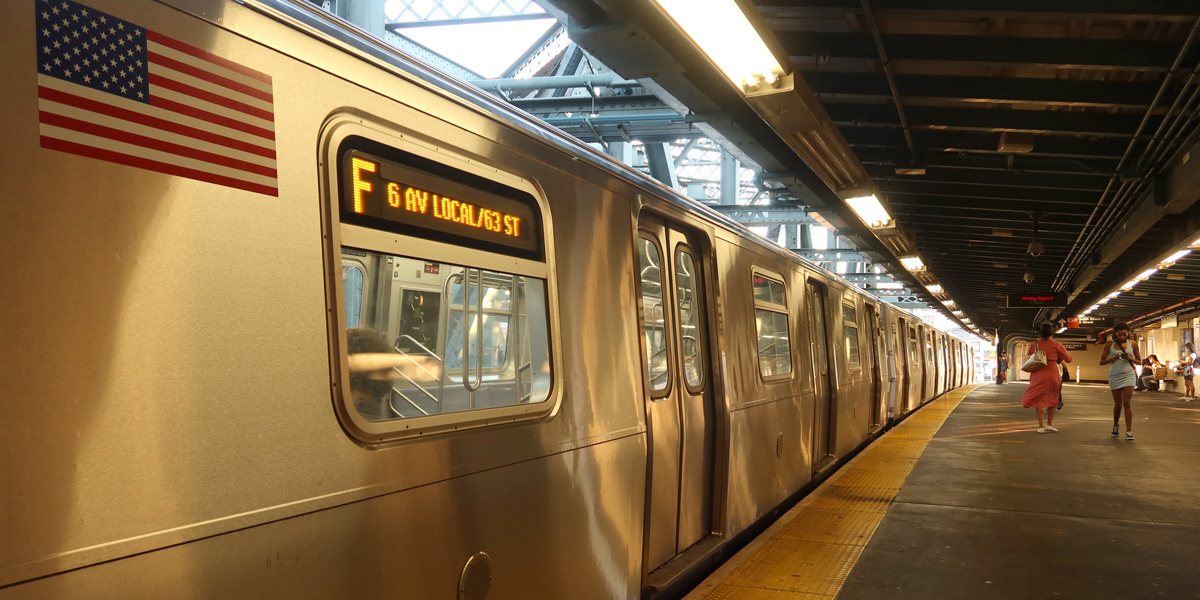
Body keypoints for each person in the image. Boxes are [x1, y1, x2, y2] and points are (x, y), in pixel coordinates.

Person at [1023, 323, 1072, 434]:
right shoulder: (1057, 344)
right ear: (1051, 332)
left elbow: (1029, 356)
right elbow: (1069, 359)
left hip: (1038, 372)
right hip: (1052, 373)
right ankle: (1049, 424)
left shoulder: (1035, 344)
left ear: (1040, 333)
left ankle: (1040, 426)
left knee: (1039, 398)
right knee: (1052, 397)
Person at [1100, 323, 1140, 440]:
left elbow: (1139, 361)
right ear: (1115, 333)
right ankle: (1116, 425)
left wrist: (1130, 358)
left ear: (1128, 333)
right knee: (1118, 404)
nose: (1122, 337)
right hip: (1115, 375)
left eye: (1124, 334)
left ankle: (1129, 431)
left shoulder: (1133, 344)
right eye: (1119, 334)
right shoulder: (1109, 344)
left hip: (1129, 375)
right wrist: (1114, 358)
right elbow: (1101, 361)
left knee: (1127, 402)